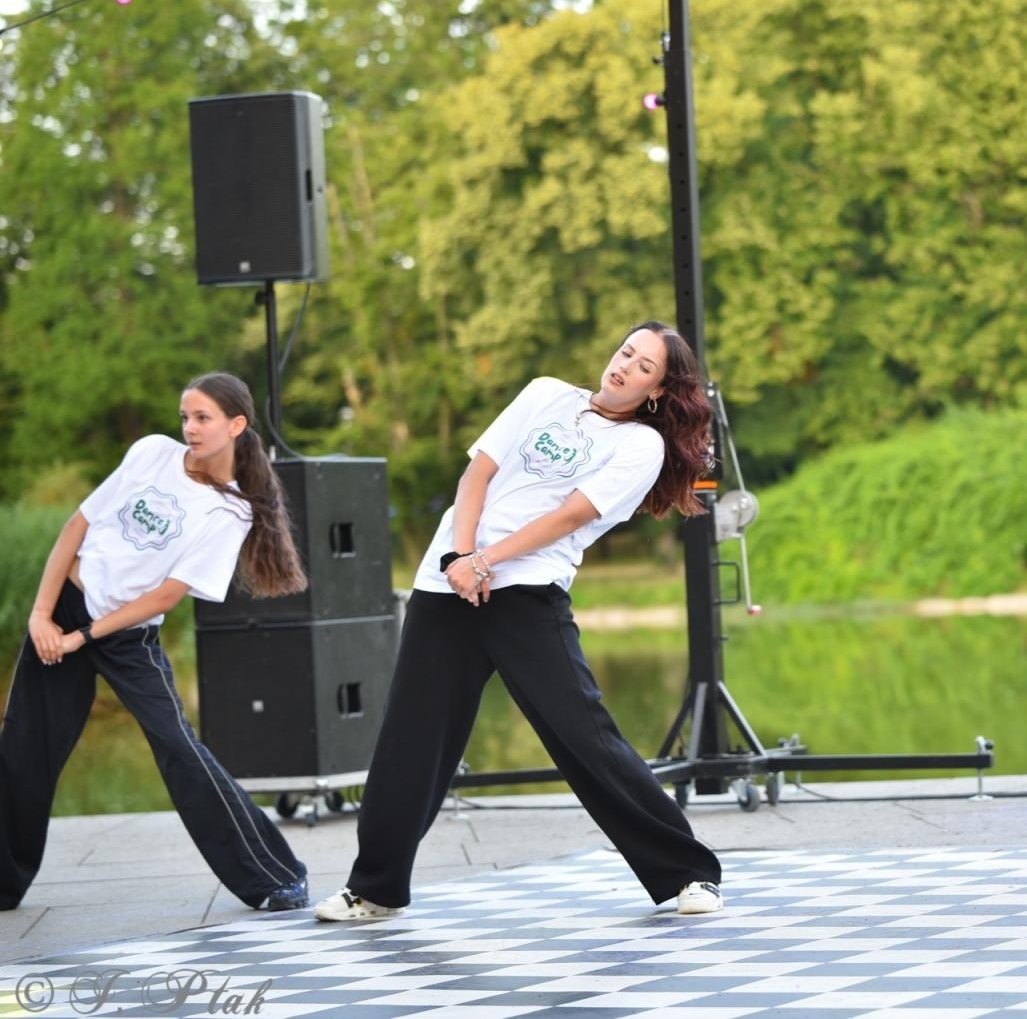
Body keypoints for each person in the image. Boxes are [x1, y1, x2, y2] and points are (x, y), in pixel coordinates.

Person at [314, 321, 724, 922]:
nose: (624, 366)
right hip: (446, 585)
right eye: (626, 352)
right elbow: (477, 474)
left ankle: (690, 873)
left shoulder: (641, 446)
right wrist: (459, 558)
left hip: (526, 596)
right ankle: (373, 889)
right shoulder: (544, 394)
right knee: (411, 739)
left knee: (585, 737)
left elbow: (569, 516)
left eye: (643, 367)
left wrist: (487, 561)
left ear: (658, 391)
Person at [0, 373, 310, 911]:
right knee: (24, 748)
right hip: (66, 609)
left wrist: (82, 638)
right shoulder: (150, 453)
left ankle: (272, 874)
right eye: (185, 417)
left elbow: (167, 596)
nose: (190, 428)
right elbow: (76, 526)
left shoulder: (230, 510)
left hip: (126, 636)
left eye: (203, 418)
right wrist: (41, 616)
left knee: (179, 749)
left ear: (236, 425)